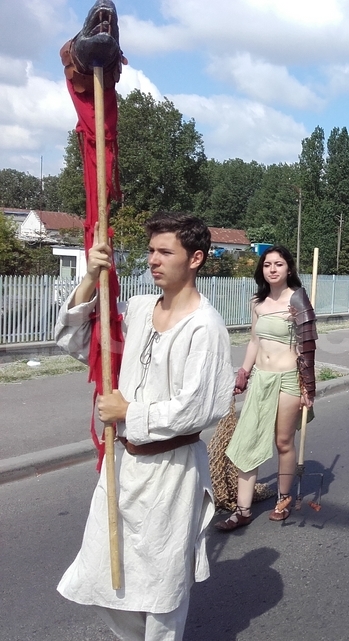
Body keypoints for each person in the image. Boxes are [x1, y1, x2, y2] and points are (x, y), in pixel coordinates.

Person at [55, 212, 233, 640]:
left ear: (195, 259)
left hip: (172, 471)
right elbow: (85, 344)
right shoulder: (137, 308)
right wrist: (91, 277)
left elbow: (200, 409)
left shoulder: (205, 327)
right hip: (122, 466)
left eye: (165, 252)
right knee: (100, 575)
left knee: (162, 590)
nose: (153, 259)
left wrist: (128, 413)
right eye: (151, 250)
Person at [216, 245, 317, 531]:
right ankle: (242, 510)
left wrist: (308, 388)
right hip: (261, 378)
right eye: (267, 264)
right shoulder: (257, 301)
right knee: (248, 440)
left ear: (289, 268)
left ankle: (283, 499)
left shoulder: (297, 300)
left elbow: (308, 348)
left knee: (283, 442)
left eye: (278, 264)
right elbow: (254, 341)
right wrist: (244, 372)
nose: (272, 269)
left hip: (288, 380)